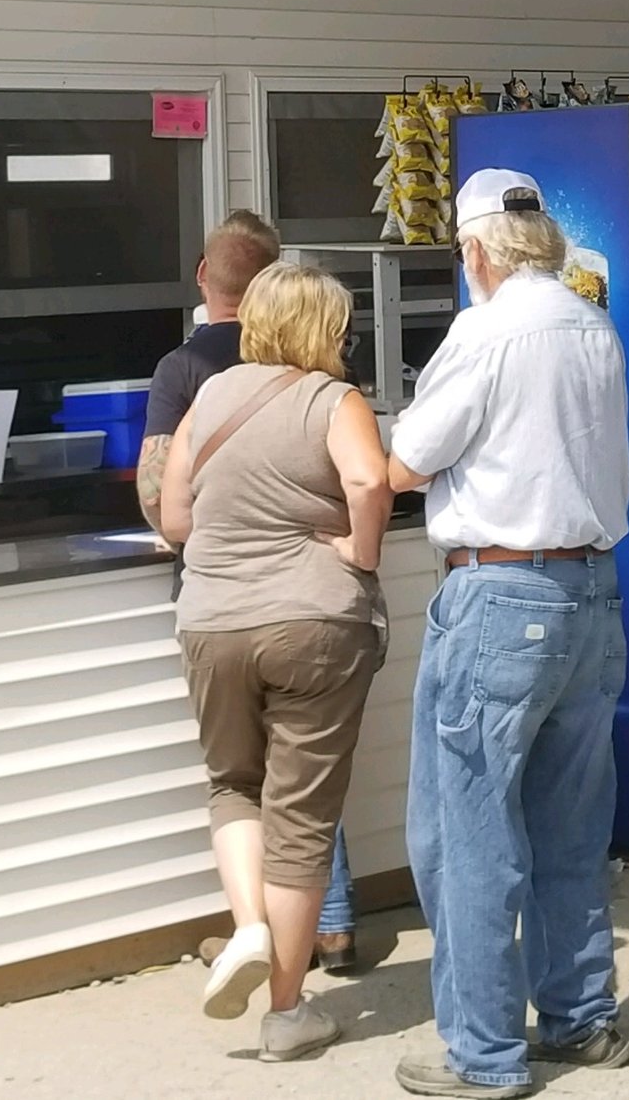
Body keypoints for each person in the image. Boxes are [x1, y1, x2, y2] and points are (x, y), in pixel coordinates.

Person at [385, 169, 629, 1097]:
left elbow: (407, 463)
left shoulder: (483, 330)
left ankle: (484, 1054)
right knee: (573, 825)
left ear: (477, 249)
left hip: (498, 594)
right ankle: (581, 1018)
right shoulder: (592, 324)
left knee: (469, 833)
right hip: (592, 588)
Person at [160, 261, 391, 1063]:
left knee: (234, 784)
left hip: (212, 621)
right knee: (302, 817)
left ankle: (249, 926)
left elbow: (176, 514)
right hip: (314, 622)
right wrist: (357, 550)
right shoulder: (335, 399)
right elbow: (368, 479)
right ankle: (287, 1011)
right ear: (329, 328)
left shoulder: (208, 396)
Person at [140, 210, 283, 534]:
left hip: (213, 565)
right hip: (303, 561)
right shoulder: (308, 354)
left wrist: (184, 539)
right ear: (271, 279)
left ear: (202, 271)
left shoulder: (180, 367)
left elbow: (154, 492)